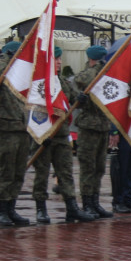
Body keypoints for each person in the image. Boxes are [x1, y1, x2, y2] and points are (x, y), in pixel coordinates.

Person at [31, 48, 91, 223]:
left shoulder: (62, 82)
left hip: (62, 133)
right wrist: (41, 133)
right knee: (42, 173)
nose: (59, 62)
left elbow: (73, 100)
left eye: (59, 59)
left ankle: (72, 207)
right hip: (45, 135)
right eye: (56, 59)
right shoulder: (40, 83)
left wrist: (80, 99)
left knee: (65, 172)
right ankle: (41, 208)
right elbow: (34, 109)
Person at [0, 41, 33, 227]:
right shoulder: (4, 70)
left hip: (23, 127)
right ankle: (1, 212)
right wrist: (7, 56)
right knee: (7, 170)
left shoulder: (22, 72)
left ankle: (12, 208)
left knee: (19, 171)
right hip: (6, 127)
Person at [75, 45, 115, 219]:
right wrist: (99, 68)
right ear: (93, 60)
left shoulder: (104, 74)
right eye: (100, 61)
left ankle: (95, 201)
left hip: (102, 125)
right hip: (89, 127)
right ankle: (87, 203)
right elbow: (82, 82)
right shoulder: (86, 75)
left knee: (99, 168)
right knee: (88, 167)